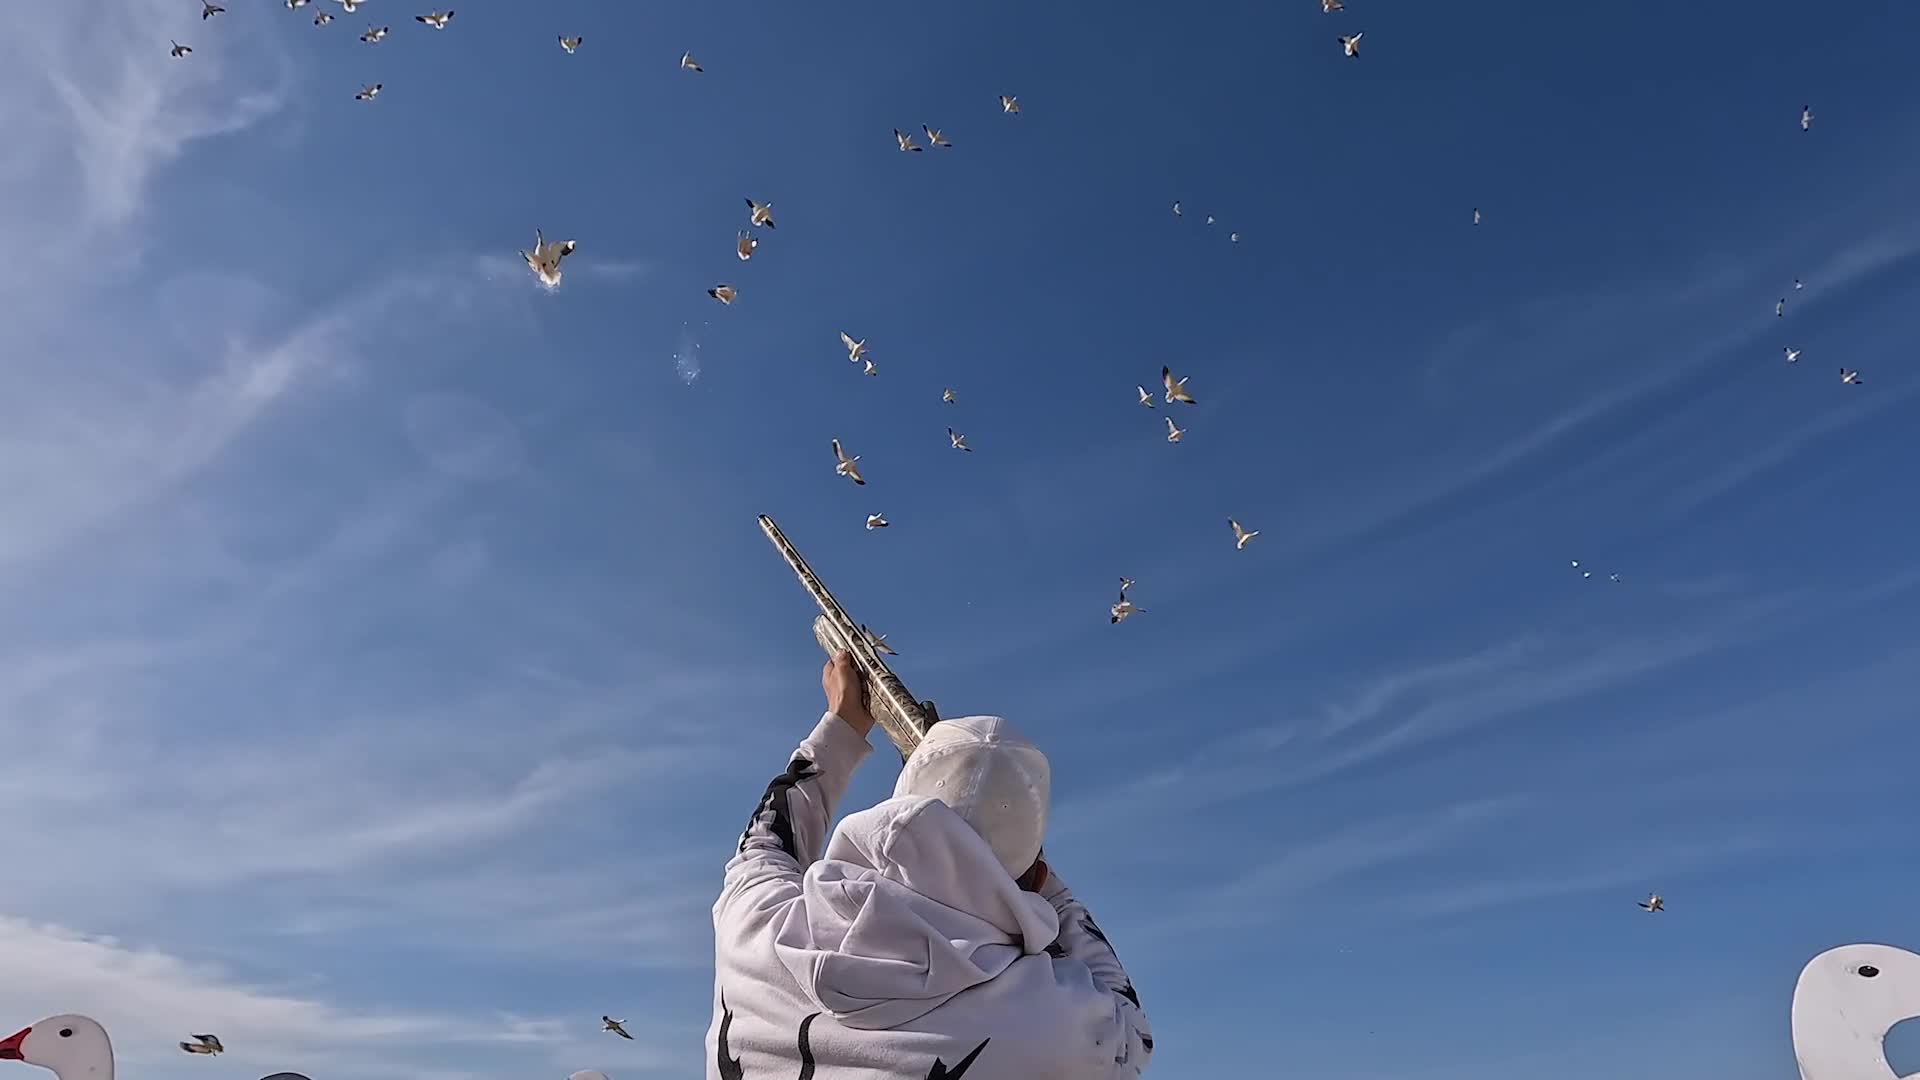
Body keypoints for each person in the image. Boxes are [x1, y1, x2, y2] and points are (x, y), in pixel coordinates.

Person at [706, 651, 1154, 1080]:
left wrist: (841, 725)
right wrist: (1046, 884)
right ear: (1034, 876)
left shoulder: (755, 932)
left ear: (893, 815)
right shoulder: (1063, 1030)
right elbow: (1131, 1023)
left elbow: (763, 842)